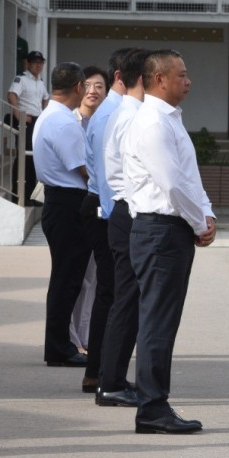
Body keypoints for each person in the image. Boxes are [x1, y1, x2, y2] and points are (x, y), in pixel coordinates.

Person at [123, 50, 216, 434]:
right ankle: (152, 408)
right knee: (157, 322)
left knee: (163, 320)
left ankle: (155, 403)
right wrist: (198, 223)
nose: (188, 80)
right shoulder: (153, 124)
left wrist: (206, 215)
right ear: (160, 79)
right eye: (182, 74)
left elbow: (189, 178)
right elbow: (172, 184)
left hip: (172, 229)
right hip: (160, 230)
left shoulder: (169, 120)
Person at [96, 48, 150, 407]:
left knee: (126, 301)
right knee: (126, 302)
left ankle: (113, 379)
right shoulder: (130, 116)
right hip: (128, 213)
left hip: (121, 210)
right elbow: (137, 176)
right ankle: (110, 382)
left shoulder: (125, 112)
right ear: (145, 78)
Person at [80, 49, 132, 398]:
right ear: (122, 77)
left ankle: (99, 371)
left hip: (101, 205)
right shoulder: (116, 112)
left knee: (109, 293)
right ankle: (101, 372)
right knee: (113, 294)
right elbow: (111, 175)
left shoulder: (111, 111)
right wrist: (119, 219)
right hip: (105, 207)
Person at [33, 62, 91, 368]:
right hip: (68, 204)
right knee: (67, 281)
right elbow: (83, 170)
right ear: (79, 88)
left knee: (65, 279)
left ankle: (59, 345)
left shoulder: (49, 115)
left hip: (58, 201)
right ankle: (58, 347)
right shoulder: (65, 123)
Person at [68, 66, 109, 392]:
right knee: (79, 279)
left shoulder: (102, 121)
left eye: (100, 86)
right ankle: (76, 338)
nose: (94, 91)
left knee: (94, 280)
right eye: (90, 86)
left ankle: (85, 340)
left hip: (94, 205)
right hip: (84, 205)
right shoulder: (72, 122)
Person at [8, 51, 49, 205]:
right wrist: (18, 113)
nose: (38, 65)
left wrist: (44, 113)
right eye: (35, 62)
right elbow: (12, 95)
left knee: (35, 157)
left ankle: (32, 196)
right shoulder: (22, 79)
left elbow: (46, 98)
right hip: (26, 121)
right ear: (28, 63)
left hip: (37, 120)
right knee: (23, 158)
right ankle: (19, 195)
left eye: (40, 62)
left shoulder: (41, 82)